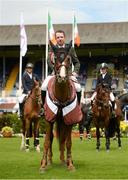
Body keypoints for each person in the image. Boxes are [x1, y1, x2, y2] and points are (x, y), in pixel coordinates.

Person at [41, 30, 81, 105]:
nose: (60, 39)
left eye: (61, 37)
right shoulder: (52, 48)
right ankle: (43, 107)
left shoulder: (70, 48)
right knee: (43, 86)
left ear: (64, 38)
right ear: (56, 39)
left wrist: (75, 72)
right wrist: (55, 70)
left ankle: (78, 105)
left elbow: (77, 62)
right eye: (58, 37)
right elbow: (49, 61)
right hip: (55, 74)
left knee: (78, 88)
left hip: (68, 74)